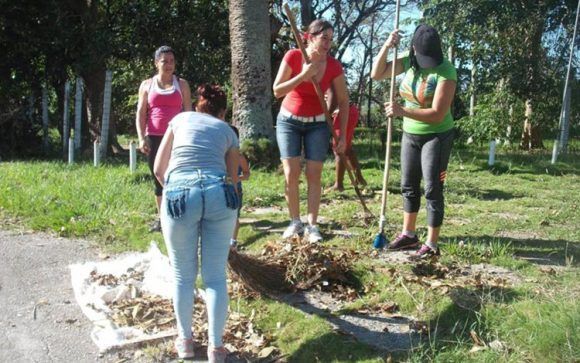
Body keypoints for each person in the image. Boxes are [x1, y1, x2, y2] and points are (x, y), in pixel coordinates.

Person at [153, 84, 240, 362]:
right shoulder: (227, 131)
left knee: (182, 275)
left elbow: (158, 168)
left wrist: (174, 190)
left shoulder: (179, 119)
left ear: (198, 105)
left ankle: (186, 342)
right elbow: (233, 175)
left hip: (180, 192)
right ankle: (216, 348)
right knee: (214, 277)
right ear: (222, 111)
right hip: (218, 193)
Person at [370, 24, 456, 259]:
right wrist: (387, 46)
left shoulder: (446, 72)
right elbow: (377, 74)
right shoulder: (408, 61)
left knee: (432, 188)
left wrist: (402, 111)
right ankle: (409, 234)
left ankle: (432, 243)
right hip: (411, 134)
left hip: (437, 135)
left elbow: (438, 113)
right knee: (408, 185)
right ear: (414, 50)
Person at [273, 18, 349, 243]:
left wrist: (342, 135)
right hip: (289, 121)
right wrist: (302, 76)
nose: (328, 43)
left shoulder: (334, 65)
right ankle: (295, 221)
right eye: (324, 38)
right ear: (310, 37)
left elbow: (344, 101)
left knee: (314, 173)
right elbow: (277, 90)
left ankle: (312, 225)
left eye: (330, 39)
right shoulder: (294, 56)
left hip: (318, 123)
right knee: (291, 173)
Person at [136, 45, 192, 232]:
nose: (168, 65)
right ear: (156, 63)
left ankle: (180, 213)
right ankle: (162, 219)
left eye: (171, 61)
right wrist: (141, 137)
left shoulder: (182, 84)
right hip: (154, 136)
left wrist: (189, 136)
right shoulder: (147, 85)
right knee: (157, 176)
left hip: (177, 137)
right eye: (164, 61)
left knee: (178, 175)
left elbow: (189, 112)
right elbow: (141, 114)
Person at [327, 96, 367, 192]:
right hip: (348, 111)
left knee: (338, 148)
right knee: (347, 149)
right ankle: (359, 179)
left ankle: (339, 184)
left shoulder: (329, 81)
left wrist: (326, 113)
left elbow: (334, 97)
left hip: (344, 113)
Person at [228, 125, 250, 247]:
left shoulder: (239, 157)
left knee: (234, 216)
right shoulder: (218, 154)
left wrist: (236, 178)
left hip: (235, 189)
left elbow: (247, 174)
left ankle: (233, 242)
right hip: (220, 188)